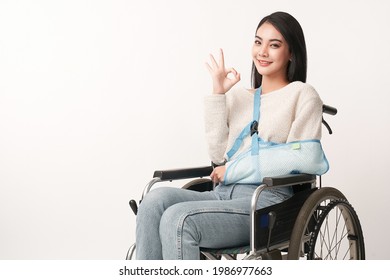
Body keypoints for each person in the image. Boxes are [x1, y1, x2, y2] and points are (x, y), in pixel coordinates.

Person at [135, 11, 324, 260]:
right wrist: (218, 94)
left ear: (291, 53)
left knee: (178, 219)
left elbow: (305, 158)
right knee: (152, 202)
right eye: (258, 42)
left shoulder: (302, 95)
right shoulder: (239, 97)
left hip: (265, 203)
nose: (263, 51)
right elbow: (218, 155)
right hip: (222, 193)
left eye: (274, 45)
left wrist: (236, 170)